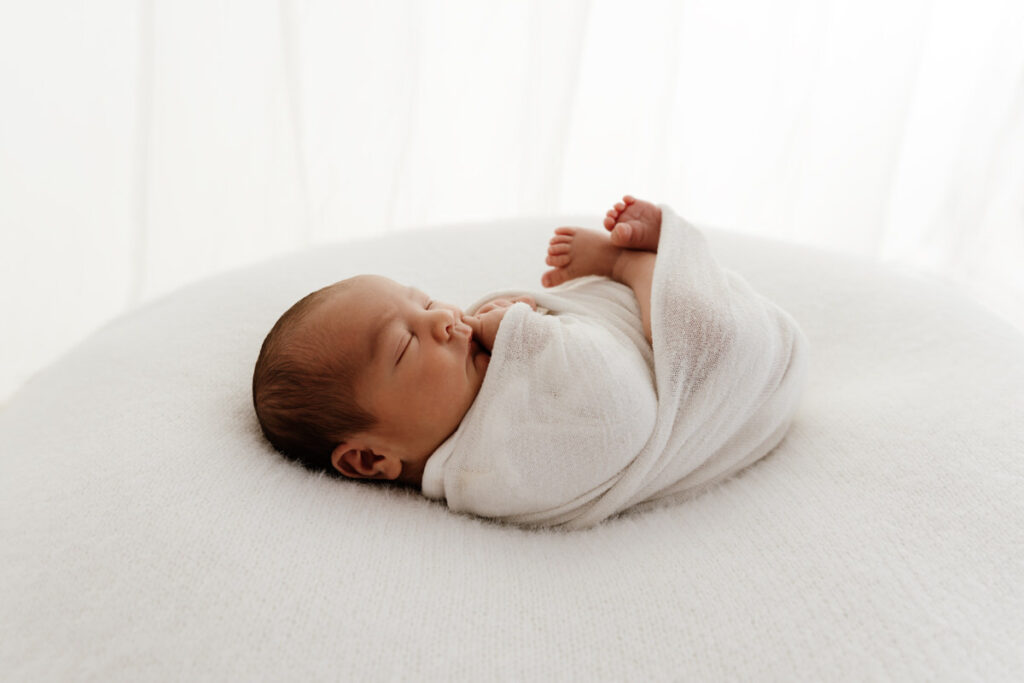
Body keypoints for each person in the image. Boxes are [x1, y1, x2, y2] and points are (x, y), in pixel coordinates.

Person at [252, 195, 808, 529]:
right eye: (405, 346)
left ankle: (638, 279)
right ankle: (635, 267)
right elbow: (623, 414)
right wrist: (520, 331)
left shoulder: (459, 388)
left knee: (660, 324)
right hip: (738, 390)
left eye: (422, 302)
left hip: (631, 344)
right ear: (371, 460)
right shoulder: (489, 470)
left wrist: (517, 322)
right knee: (707, 338)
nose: (443, 319)